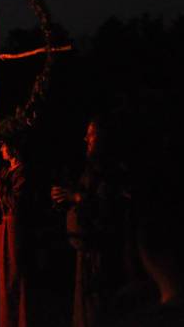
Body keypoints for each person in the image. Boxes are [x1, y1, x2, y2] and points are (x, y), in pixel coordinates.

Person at [52, 120, 128, 327]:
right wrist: (63, 199)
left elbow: (109, 208)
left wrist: (77, 198)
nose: (86, 139)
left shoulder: (112, 171)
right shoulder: (90, 169)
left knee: (98, 311)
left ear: (103, 138)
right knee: (85, 310)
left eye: (91, 134)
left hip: (100, 256)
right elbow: (83, 197)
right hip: (85, 253)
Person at [0, 134, 39, 327]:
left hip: (15, 233)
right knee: (4, 282)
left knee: (16, 279)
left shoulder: (23, 172)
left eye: (4, 146)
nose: (1, 149)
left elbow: (16, 202)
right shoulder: (5, 171)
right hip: (3, 231)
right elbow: (1, 200)